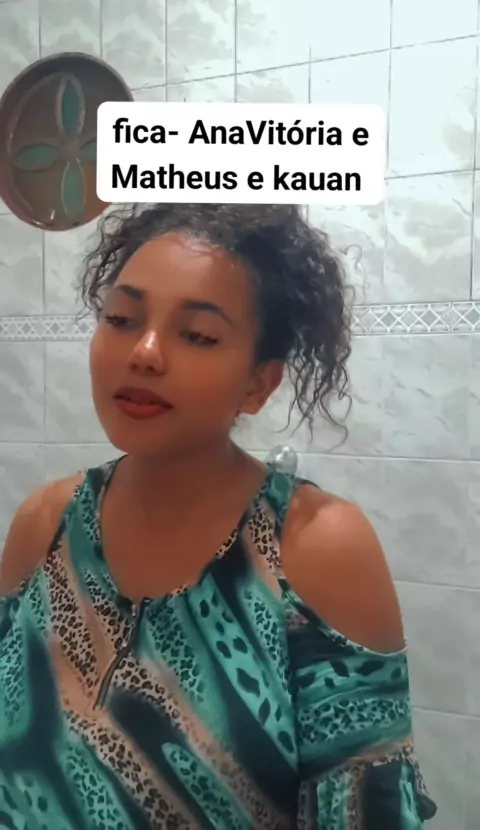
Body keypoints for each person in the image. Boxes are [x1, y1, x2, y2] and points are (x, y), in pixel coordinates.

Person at [0, 203, 436, 829]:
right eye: (121, 319)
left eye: (198, 335)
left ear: (258, 385)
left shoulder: (315, 548)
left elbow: (367, 812)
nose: (144, 352)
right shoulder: (46, 523)